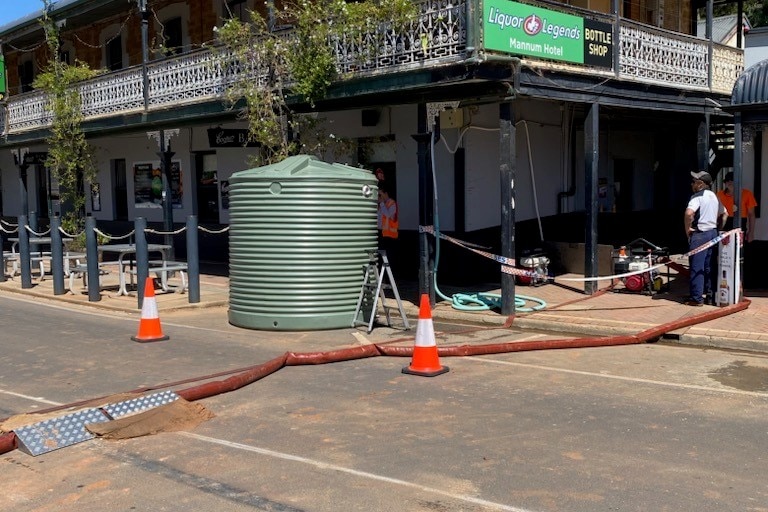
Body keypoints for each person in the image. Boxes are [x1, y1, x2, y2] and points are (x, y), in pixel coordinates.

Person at [684, 170, 727, 306]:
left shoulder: (697, 197)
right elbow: (725, 214)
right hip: (713, 233)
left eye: (694, 182)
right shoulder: (714, 197)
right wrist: (718, 228)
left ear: (700, 184)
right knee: (709, 266)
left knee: (697, 266)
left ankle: (696, 298)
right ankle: (710, 295)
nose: (692, 184)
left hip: (700, 234)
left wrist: (687, 230)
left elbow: (689, 214)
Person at [716, 171, 758, 242]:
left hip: (740, 222)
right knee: (723, 248)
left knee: (739, 247)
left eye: (732, 181)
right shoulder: (719, 194)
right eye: (728, 181)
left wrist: (751, 232)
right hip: (722, 223)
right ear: (725, 183)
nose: (730, 183)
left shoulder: (747, 194)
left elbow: (751, 215)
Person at [378, 184, 398, 266]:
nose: (379, 197)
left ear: (386, 194)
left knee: (388, 257)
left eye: (380, 194)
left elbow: (388, 215)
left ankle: (389, 277)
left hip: (389, 235)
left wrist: (382, 203)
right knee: (380, 256)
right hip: (381, 233)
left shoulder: (392, 203)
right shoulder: (380, 205)